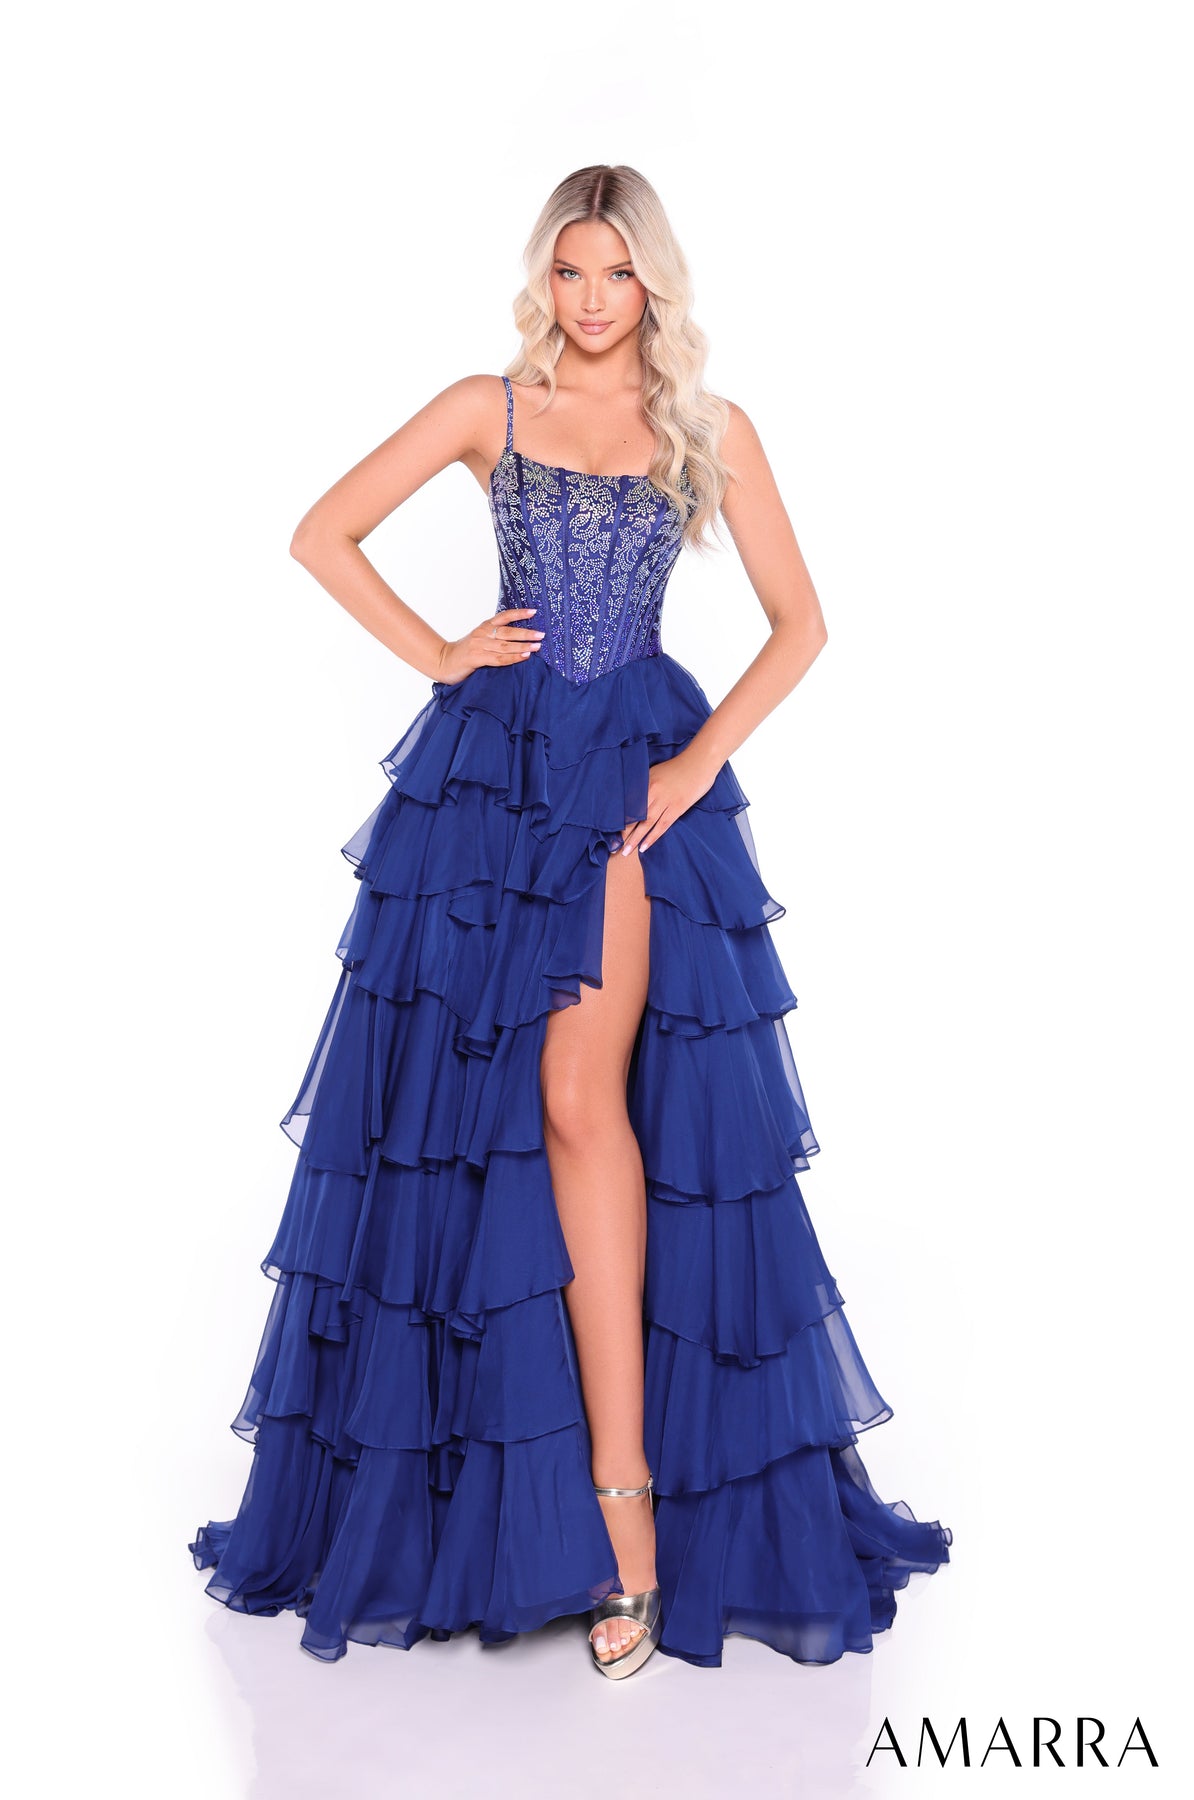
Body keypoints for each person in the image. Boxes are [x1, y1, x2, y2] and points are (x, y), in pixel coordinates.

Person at [188, 163, 951, 1680]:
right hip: (489, 783)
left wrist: (695, 760)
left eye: (617, 273)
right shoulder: (492, 407)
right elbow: (321, 532)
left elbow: (803, 624)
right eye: (569, 271)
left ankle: (627, 1514)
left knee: (580, 1100)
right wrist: (442, 653)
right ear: (543, 278)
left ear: (653, 282)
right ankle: (485, 1500)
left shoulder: (707, 427)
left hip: (625, 780)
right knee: (466, 1116)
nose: (592, 299)